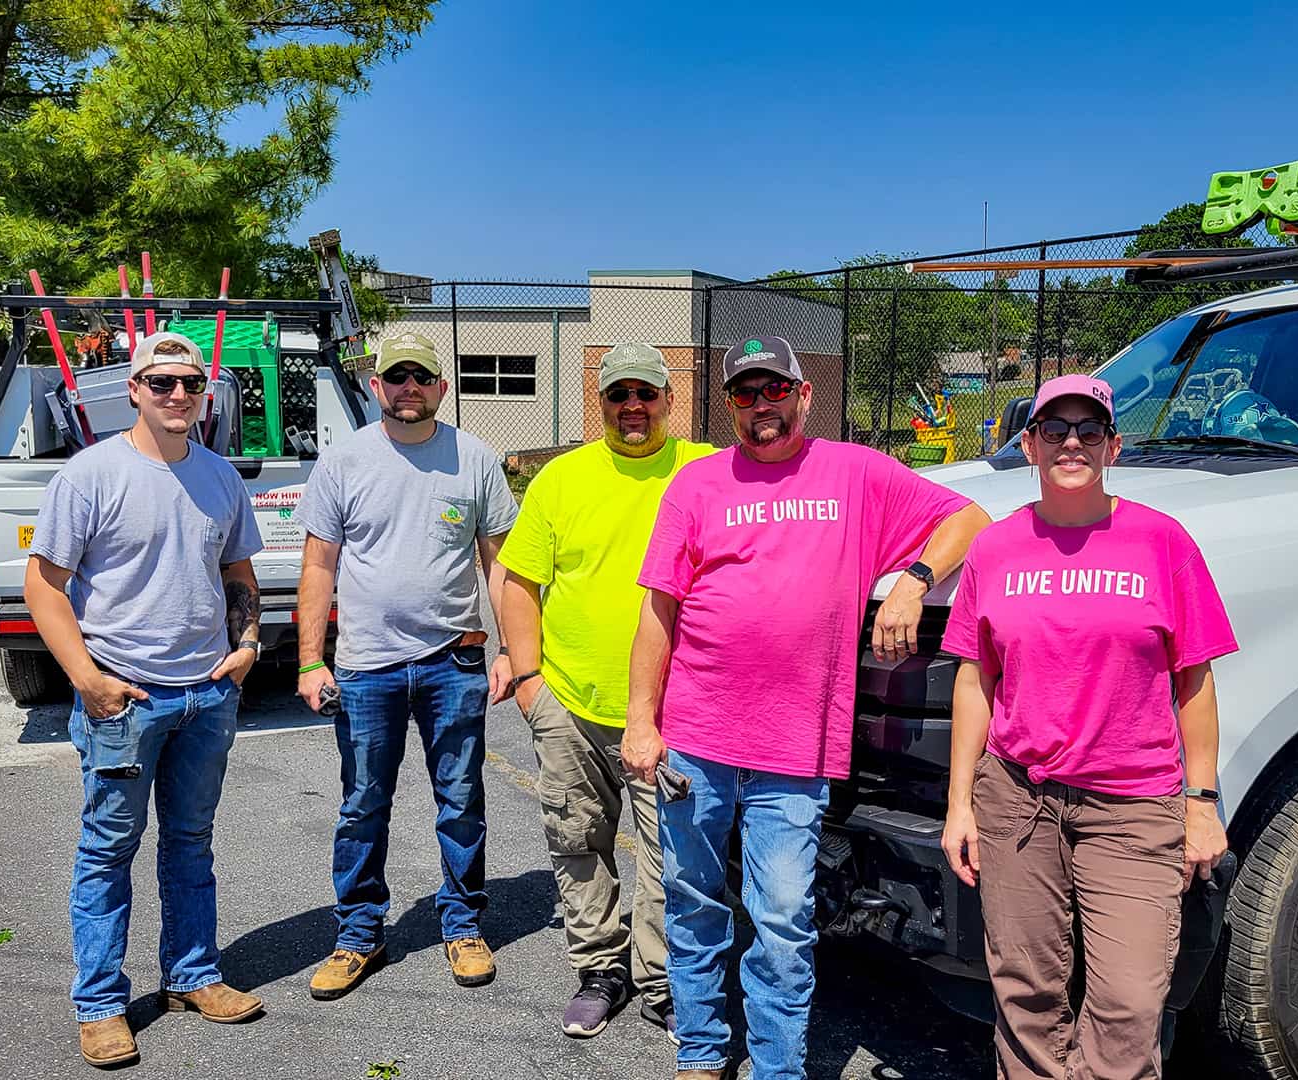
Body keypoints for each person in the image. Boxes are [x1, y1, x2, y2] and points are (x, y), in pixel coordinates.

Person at [622, 335, 990, 1080]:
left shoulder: (856, 473)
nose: (763, 407)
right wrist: (640, 719)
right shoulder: (696, 486)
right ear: (729, 405)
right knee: (694, 906)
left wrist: (917, 579)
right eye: (746, 394)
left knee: (784, 921)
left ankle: (777, 1067)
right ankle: (699, 1051)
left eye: (775, 390)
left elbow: (971, 519)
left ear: (804, 394)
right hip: (696, 740)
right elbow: (659, 611)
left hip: (796, 748)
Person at [938, 374, 1236, 1080]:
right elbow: (976, 679)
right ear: (1030, 446)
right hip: (1018, 800)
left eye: (1089, 430)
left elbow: (1193, 678)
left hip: (1132, 806)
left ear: (1113, 446)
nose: (1072, 441)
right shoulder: (997, 550)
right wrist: (958, 803)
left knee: (1130, 1002)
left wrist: (1201, 805)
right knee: (1026, 992)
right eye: (1054, 429)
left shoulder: (1163, 543)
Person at [26, 330, 267, 1068]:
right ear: (133, 390)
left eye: (190, 384)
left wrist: (249, 646)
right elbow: (45, 585)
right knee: (108, 851)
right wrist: (88, 681)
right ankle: (100, 1004)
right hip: (123, 702)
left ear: (205, 394)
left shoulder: (221, 475)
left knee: (191, 843)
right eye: (161, 383)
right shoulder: (90, 475)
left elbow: (238, 572)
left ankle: (192, 976)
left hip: (205, 696)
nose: (177, 396)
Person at [497, 343, 716, 1040]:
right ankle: (600, 970)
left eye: (645, 394)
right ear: (600, 402)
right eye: (618, 394)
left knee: (670, 855)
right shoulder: (561, 480)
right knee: (576, 839)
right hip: (569, 701)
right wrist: (530, 680)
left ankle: (661, 981)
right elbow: (519, 583)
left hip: (672, 709)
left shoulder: (707, 471)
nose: (632, 407)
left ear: (669, 400)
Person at [295, 330, 520, 999]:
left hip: (455, 661)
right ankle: (358, 934)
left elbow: (500, 563)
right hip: (367, 670)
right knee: (364, 804)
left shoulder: (474, 460)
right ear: (377, 386)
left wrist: (511, 650)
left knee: (460, 801)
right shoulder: (344, 462)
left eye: (422, 376)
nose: (409, 388)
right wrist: (310, 659)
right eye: (398, 377)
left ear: (441, 388)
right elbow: (318, 565)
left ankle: (463, 925)